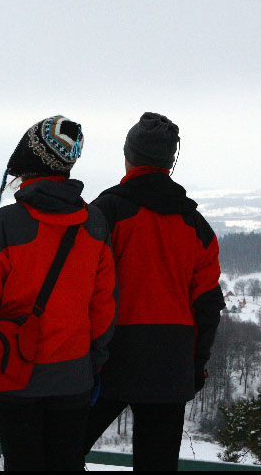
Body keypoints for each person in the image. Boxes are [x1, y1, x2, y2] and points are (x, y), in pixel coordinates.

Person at [0, 115, 119, 471]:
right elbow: (103, 305)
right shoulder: (95, 223)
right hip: (74, 378)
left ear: (31, 163)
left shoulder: (7, 224)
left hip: (14, 374)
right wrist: (95, 362)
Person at [85, 112, 224, 471]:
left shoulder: (106, 212)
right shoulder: (197, 227)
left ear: (128, 156)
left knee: (62, 450)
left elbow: (80, 286)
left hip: (109, 358)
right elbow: (207, 306)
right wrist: (196, 366)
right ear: (170, 162)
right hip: (171, 363)